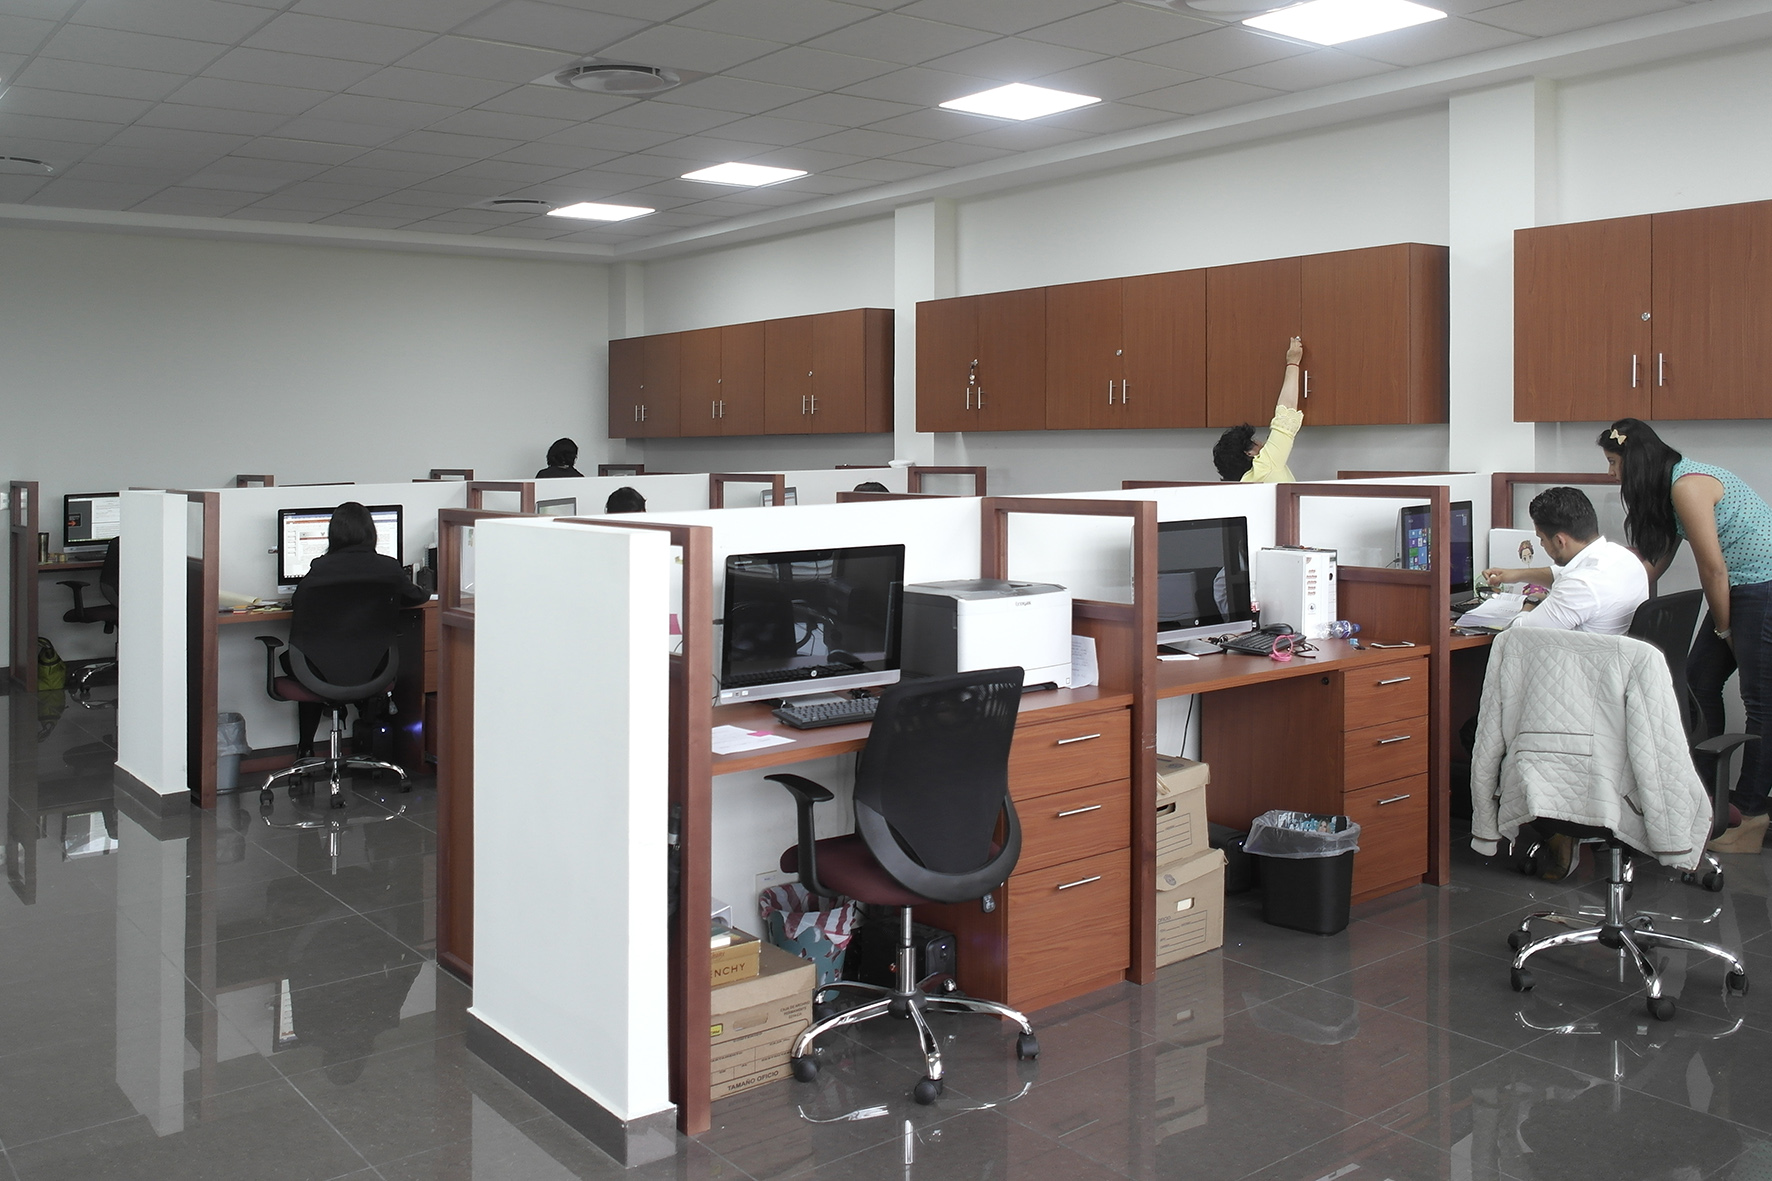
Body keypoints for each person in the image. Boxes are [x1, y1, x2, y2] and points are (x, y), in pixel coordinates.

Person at [1600, 418, 1772, 817]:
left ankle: (1749, 814)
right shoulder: (1669, 487)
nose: (1610, 473)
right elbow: (1653, 563)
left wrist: (1724, 628)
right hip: (1739, 587)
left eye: (1613, 462)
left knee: (1761, 702)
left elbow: (1713, 570)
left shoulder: (1687, 486)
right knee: (1697, 682)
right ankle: (1705, 799)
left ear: (1635, 462)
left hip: (1760, 586)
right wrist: (1603, 593)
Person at [287, 502, 427, 757]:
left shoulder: (319, 569)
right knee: (347, 659)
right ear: (371, 533)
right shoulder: (388, 568)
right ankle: (372, 742)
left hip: (316, 672)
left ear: (333, 535)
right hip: (375, 670)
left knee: (309, 658)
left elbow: (299, 603)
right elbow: (416, 597)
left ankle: (305, 748)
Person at [1480, 486, 1648, 635]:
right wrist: (1516, 575)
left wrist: (1531, 601)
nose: (1541, 544)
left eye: (1542, 539)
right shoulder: (1622, 557)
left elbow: (1517, 634)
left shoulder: (1581, 585)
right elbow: (1559, 574)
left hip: (1578, 659)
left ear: (1560, 541)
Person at [1212, 337, 1305, 483]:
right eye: (1255, 441)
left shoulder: (1244, 481)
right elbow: (1286, 416)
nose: (1262, 443)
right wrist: (1293, 362)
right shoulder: (1265, 466)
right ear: (1250, 453)